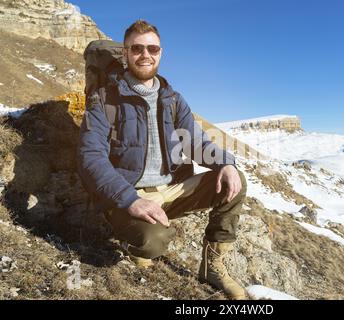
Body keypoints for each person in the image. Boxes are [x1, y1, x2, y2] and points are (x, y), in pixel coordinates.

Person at [77, 20, 247, 300]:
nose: (145, 54)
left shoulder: (172, 99)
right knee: (153, 243)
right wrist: (130, 200)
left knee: (235, 180)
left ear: (161, 52)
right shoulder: (104, 99)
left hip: (172, 189)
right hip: (127, 195)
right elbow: (90, 157)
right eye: (137, 48)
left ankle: (212, 266)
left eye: (152, 48)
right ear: (126, 53)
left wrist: (225, 163)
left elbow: (195, 142)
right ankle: (133, 238)